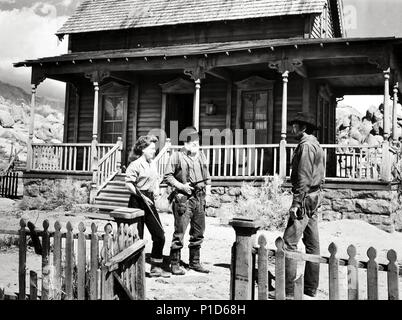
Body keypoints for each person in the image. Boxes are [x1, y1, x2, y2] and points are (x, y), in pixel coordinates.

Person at [283, 112, 325, 299]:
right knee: (312, 244)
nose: (292, 128)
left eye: (296, 125)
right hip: (314, 197)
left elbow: (304, 177)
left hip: (305, 198)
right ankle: (310, 288)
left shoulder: (307, 146)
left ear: (304, 128)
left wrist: (296, 203)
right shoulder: (315, 144)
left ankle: (288, 291)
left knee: (288, 243)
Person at [163, 126, 211, 275]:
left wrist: (207, 195)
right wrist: (181, 186)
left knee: (198, 232)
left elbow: (208, 178)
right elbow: (168, 176)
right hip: (183, 199)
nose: (195, 143)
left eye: (197, 140)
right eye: (191, 141)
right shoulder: (176, 156)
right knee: (180, 232)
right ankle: (175, 264)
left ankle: (194, 262)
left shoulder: (202, 156)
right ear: (185, 143)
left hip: (199, 198)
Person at [125, 135, 170, 278]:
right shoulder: (135, 164)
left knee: (160, 235)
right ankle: (133, 270)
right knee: (136, 238)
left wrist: (155, 190)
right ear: (143, 149)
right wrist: (141, 196)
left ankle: (156, 268)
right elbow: (129, 184)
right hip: (137, 201)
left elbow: (155, 179)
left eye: (154, 149)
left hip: (149, 200)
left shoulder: (152, 163)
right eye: (151, 149)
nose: (154, 151)